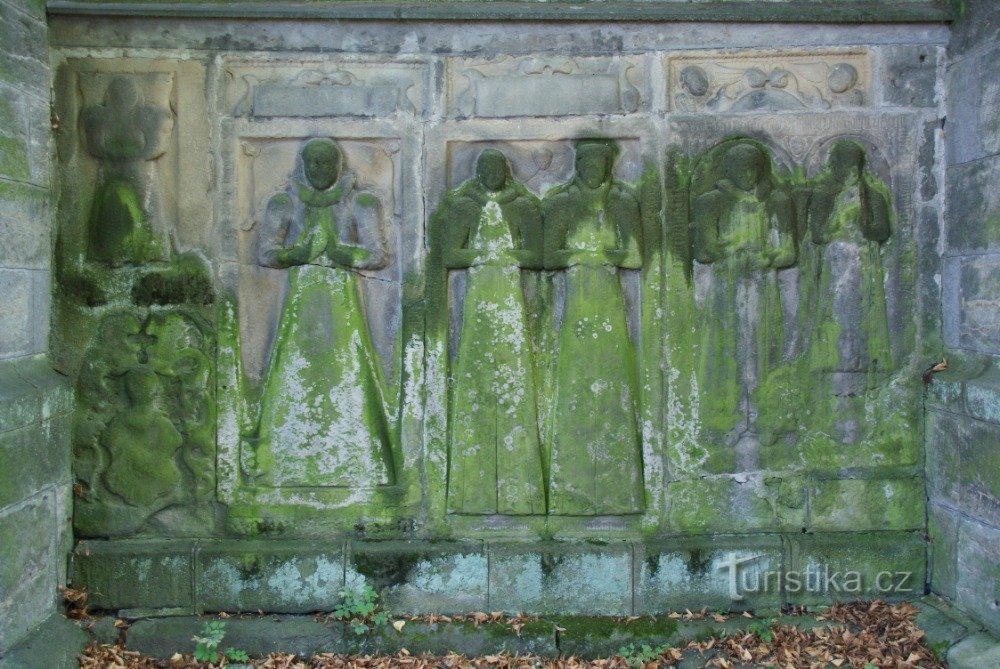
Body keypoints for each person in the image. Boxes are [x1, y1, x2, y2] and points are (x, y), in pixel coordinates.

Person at [254, 138, 394, 488]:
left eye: (325, 163)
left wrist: (340, 253)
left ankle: (355, 464)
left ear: (339, 166)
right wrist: (298, 253)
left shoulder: (360, 202)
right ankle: (287, 466)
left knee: (347, 370)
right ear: (302, 165)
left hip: (341, 299)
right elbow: (267, 253)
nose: (318, 170)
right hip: (301, 299)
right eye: (312, 163)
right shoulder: (284, 202)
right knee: (294, 370)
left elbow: (377, 255)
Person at [437, 149, 547, 515]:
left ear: (507, 171)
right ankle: (473, 489)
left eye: (498, 168)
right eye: (485, 168)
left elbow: (537, 255)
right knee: (476, 375)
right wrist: (485, 256)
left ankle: (521, 491)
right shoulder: (464, 205)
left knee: (517, 376)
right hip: (479, 299)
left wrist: (509, 257)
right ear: (478, 172)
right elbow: (451, 254)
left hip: (512, 297)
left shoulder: (523, 205)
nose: (492, 174)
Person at [542, 139, 644, 516]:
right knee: (576, 380)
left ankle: (619, 489)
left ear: (609, 165)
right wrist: (585, 256)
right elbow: (547, 256)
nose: (593, 168)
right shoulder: (561, 202)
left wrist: (605, 256)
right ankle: (574, 487)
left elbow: (635, 256)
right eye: (587, 162)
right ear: (578, 163)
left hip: (609, 298)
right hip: (576, 300)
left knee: (614, 379)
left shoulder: (623, 202)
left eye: (600, 162)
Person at [691, 141, 796, 447]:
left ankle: (766, 419)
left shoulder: (775, 200)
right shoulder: (711, 201)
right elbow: (704, 250)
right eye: (741, 169)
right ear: (730, 170)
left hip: (762, 288)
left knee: (765, 351)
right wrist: (734, 247)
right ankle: (726, 420)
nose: (747, 175)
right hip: (727, 289)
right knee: (727, 352)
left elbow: (788, 251)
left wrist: (766, 258)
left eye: (753, 169)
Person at [805, 140, 892, 381]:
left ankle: (862, 359)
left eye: (854, 166)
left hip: (863, 260)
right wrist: (837, 224)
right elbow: (817, 234)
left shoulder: (872, 196)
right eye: (844, 166)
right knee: (835, 308)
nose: (849, 171)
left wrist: (864, 228)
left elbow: (882, 230)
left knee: (862, 308)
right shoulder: (825, 195)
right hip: (835, 263)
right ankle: (833, 358)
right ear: (835, 167)